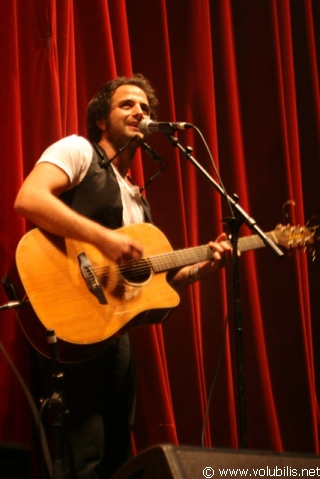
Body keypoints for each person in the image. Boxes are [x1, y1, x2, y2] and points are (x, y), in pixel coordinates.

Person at [14, 74, 232, 478]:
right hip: (69, 318)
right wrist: (105, 241)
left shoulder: (136, 199)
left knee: (118, 453)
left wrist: (204, 266)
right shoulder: (78, 150)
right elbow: (29, 199)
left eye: (146, 109)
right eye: (126, 105)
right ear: (101, 119)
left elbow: (153, 285)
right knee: (84, 454)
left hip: (115, 334)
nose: (139, 113)